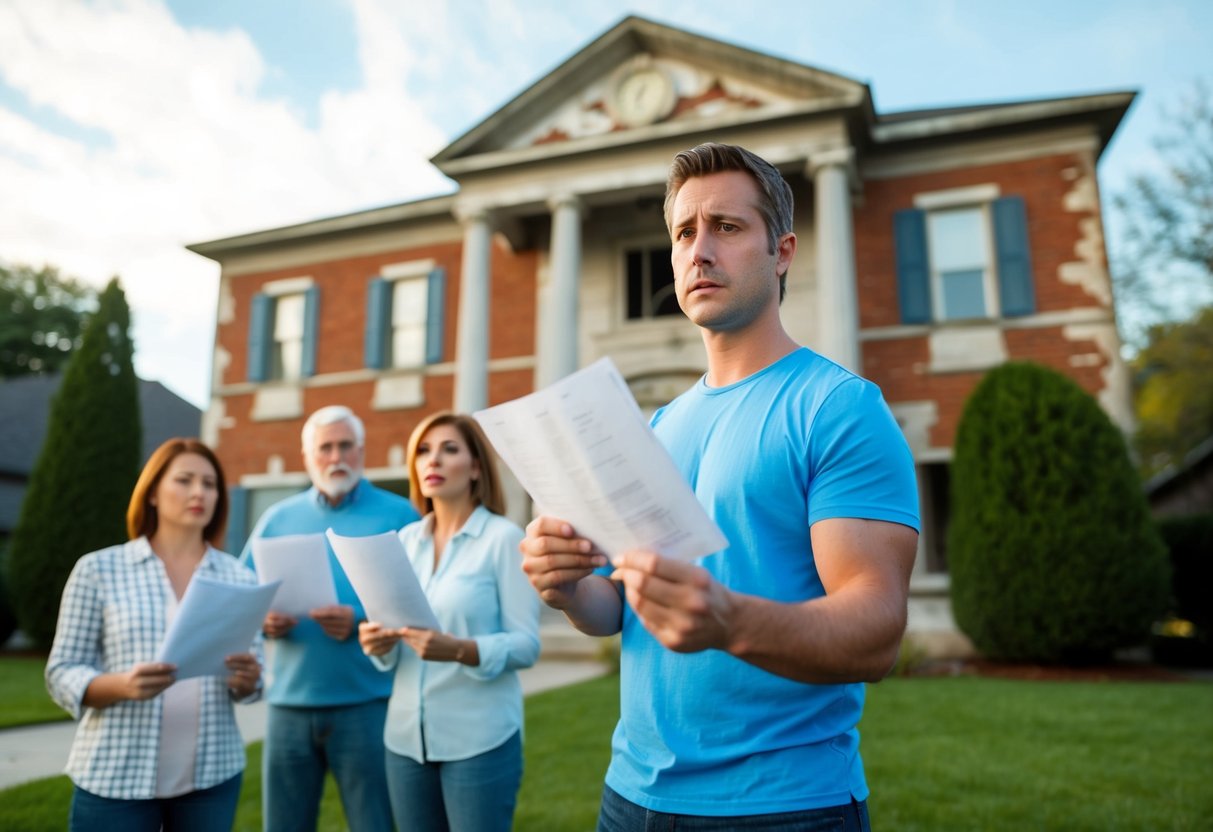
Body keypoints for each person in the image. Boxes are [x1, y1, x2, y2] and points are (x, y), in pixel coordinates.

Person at [520, 143, 921, 830]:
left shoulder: (837, 406)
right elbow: (617, 610)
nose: (698, 251)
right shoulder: (657, 425)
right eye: (683, 233)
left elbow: (875, 633)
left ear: (782, 252)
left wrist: (730, 621)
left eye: (725, 228)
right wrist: (565, 588)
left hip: (781, 805)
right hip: (629, 794)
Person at [46, 438, 262, 831]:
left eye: (210, 484)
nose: (199, 492)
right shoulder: (98, 570)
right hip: (114, 775)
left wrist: (248, 680)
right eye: (185, 480)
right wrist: (121, 685)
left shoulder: (240, 577)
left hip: (212, 776)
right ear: (152, 495)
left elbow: (256, 675)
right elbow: (61, 671)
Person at [359, 410, 540, 832]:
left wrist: (460, 649)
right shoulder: (403, 543)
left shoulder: (504, 539)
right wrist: (377, 646)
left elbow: (527, 644)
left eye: (448, 449)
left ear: (476, 467)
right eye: (423, 451)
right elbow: (391, 647)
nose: (433, 461)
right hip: (404, 741)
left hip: (479, 742)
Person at [241, 405, 420, 832]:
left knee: (375, 823)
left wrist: (358, 620)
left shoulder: (402, 517)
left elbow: (424, 606)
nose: (335, 456)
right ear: (307, 457)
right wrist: (264, 619)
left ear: (361, 451)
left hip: (369, 702)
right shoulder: (276, 519)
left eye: (345, 446)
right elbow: (242, 596)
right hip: (288, 705)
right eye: (325, 447)